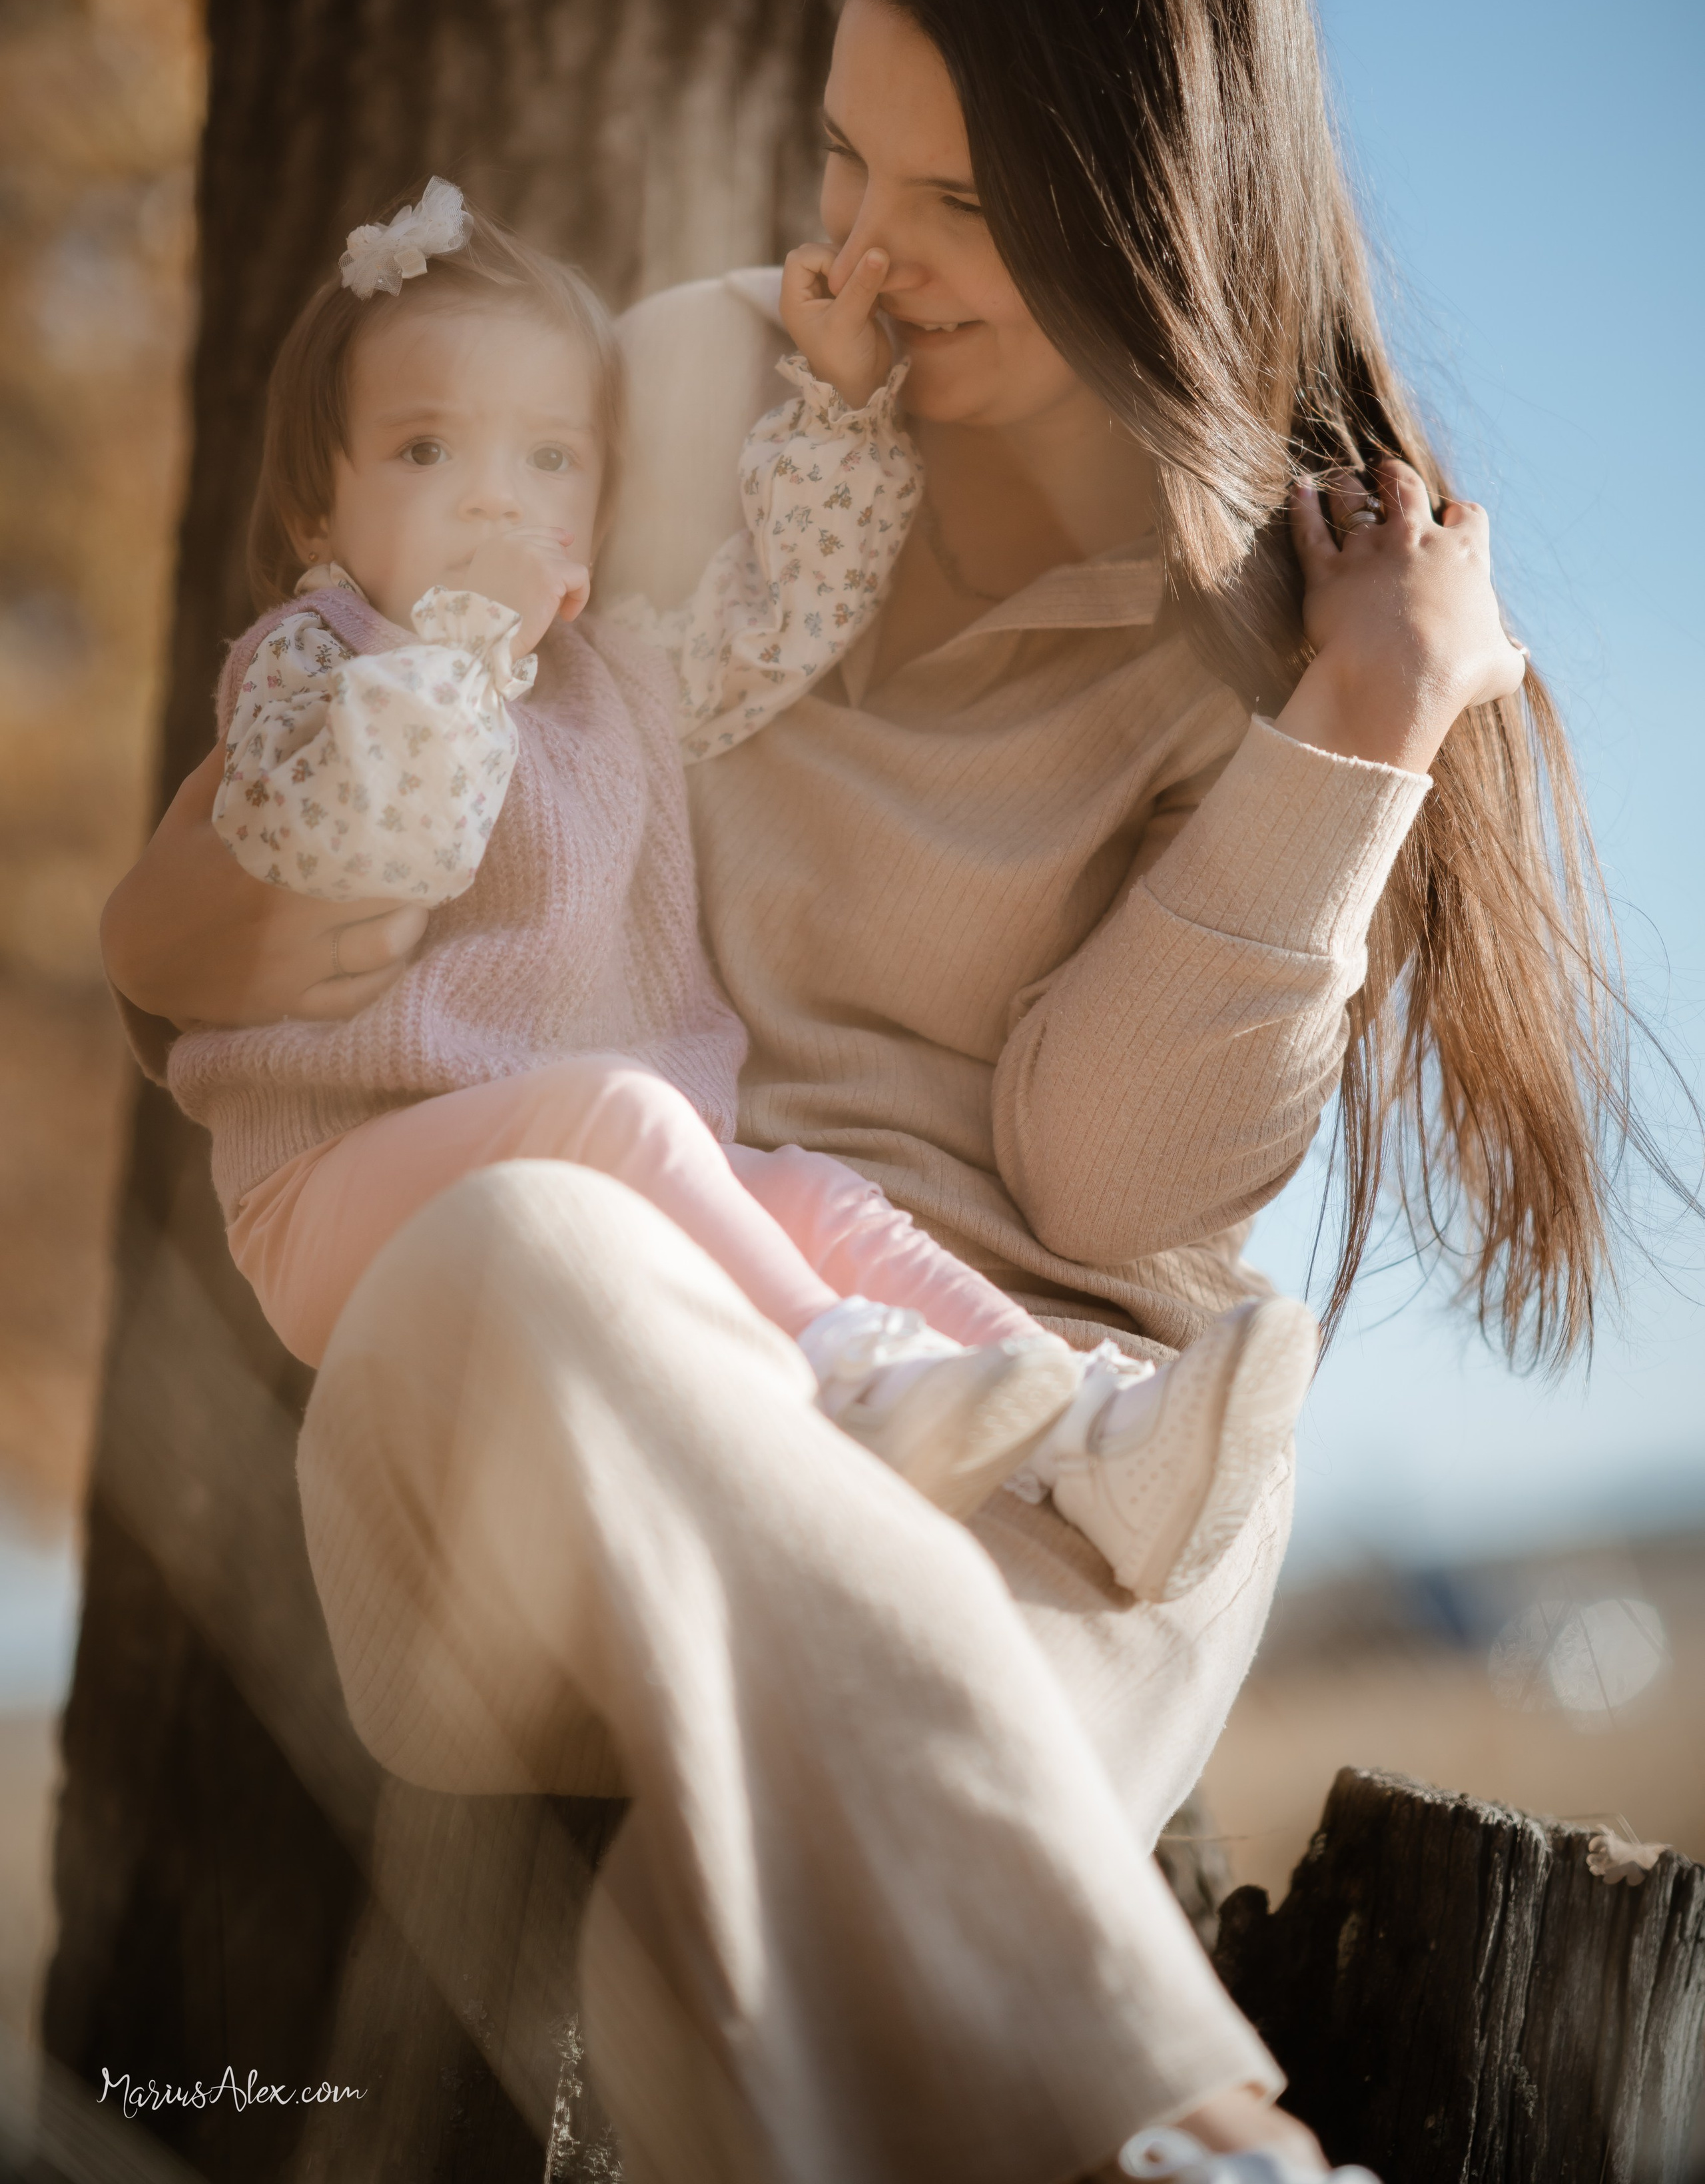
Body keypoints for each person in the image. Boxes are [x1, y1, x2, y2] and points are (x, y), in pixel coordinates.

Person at [103, 0, 1620, 2183]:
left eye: (958, 205)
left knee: (712, 1999)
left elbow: (1097, 1177)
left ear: (1151, 211)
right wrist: (330, 852)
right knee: (539, 1226)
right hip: (537, 1400)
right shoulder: (696, 388)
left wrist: (1356, 738)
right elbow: (166, 948)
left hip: (1038, 1475)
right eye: (841, 165)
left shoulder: (1292, 646)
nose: (863, 252)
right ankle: (1197, 2126)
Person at [177, 168, 1315, 1579]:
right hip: (344, 1197)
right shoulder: (314, 660)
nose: (489, 495)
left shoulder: (612, 683)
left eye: (547, 460)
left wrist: (837, 401)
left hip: (611, 1169)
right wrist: (462, 640)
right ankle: (862, 1386)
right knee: (620, 1111)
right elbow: (366, 841)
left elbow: (787, 619)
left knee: (818, 1201)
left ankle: (1097, 1435)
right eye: (424, 454)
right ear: (313, 515)